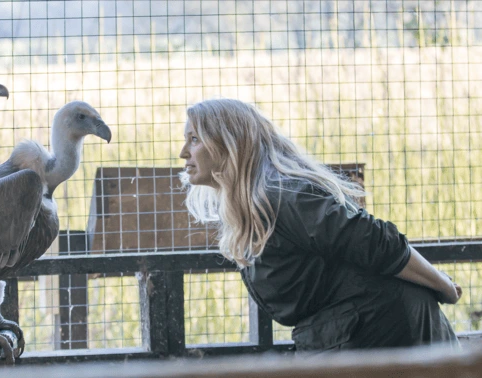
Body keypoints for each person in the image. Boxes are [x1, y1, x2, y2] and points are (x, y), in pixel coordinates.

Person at [178, 98, 461, 351]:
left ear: (229, 143)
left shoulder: (284, 196)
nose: (183, 152)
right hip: (355, 335)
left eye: (194, 139)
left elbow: (375, 240)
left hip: (386, 331)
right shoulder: (258, 202)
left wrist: (443, 285)